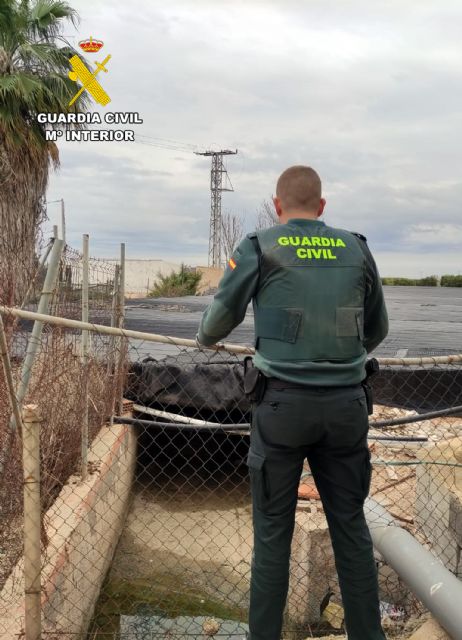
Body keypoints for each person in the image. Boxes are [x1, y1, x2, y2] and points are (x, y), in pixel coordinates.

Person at [196, 165, 388, 640]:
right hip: (347, 410)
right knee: (351, 531)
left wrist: (206, 335)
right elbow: (377, 329)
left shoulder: (260, 246)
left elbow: (215, 325)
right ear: (322, 207)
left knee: (272, 539)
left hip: (281, 410)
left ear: (278, 207)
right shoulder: (357, 247)